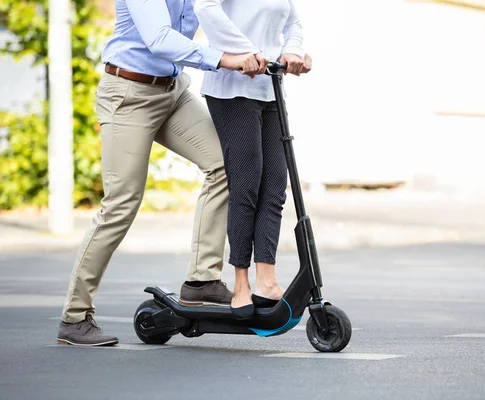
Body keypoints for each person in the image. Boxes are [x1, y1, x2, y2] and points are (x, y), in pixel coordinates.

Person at [57, 0, 263, 346]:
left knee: (224, 164)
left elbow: (224, 16)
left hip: (173, 92)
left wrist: (272, 51)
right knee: (121, 203)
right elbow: (159, 38)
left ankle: (201, 281)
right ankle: (74, 317)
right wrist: (225, 59)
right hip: (128, 94)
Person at [196, 0, 312, 319]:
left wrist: (292, 52)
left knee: (274, 184)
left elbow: (293, 24)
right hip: (232, 89)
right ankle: (241, 284)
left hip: (270, 89)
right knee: (246, 185)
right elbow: (206, 8)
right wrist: (246, 52)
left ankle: (266, 279)